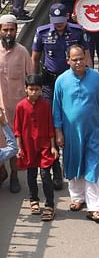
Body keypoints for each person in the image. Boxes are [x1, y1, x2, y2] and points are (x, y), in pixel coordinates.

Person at [52, 45, 99, 223]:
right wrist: (58, 132)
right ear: (68, 60)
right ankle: (77, 198)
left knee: (92, 165)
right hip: (70, 132)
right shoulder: (61, 81)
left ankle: (95, 207)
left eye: (81, 58)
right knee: (73, 164)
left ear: (86, 58)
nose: (78, 62)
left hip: (93, 130)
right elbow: (57, 109)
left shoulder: (97, 78)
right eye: (74, 59)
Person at [14, 74, 57, 221]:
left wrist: (53, 147)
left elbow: (50, 127)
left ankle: (50, 205)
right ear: (26, 89)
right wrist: (20, 148)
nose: (34, 92)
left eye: (37, 89)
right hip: (28, 148)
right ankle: (34, 200)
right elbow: (17, 130)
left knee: (46, 176)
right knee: (31, 175)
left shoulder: (45, 105)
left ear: (41, 90)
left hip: (44, 146)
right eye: (31, 89)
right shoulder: (20, 106)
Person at [0, 14, 33, 193]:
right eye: (5, 30)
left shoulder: (23, 52)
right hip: (0, 111)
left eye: (11, 30)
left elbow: (31, 81)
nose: (8, 33)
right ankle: (2, 171)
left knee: (16, 144)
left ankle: (14, 176)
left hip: (18, 109)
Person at [31, 3, 90, 102]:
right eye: (55, 21)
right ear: (50, 18)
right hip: (49, 81)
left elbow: (87, 55)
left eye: (61, 21)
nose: (58, 24)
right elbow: (35, 59)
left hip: (72, 78)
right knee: (49, 110)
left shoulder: (77, 31)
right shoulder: (42, 33)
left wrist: (89, 76)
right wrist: (34, 82)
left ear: (67, 16)